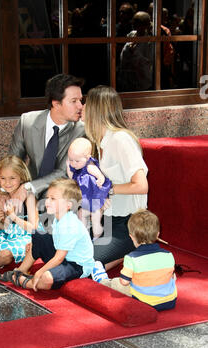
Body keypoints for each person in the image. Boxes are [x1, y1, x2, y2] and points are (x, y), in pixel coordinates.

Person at [83, 85, 148, 275]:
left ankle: (134, 248)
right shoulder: (99, 140)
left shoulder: (120, 139)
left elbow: (141, 185)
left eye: (86, 103)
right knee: (67, 250)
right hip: (106, 220)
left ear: (96, 109)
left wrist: (107, 189)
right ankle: (125, 256)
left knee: (84, 261)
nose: (82, 107)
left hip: (129, 224)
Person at [0, 178, 95, 291]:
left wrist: (40, 272)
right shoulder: (58, 218)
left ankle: (27, 282)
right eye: (48, 197)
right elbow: (53, 239)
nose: (47, 202)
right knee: (39, 235)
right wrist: (36, 244)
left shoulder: (69, 224)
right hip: (64, 256)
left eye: (53, 199)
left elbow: (59, 258)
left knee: (47, 277)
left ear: (68, 205)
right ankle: (21, 270)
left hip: (76, 265)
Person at [9, 73, 85, 200]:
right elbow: (12, 162)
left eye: (80, 100)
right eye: (74, 101)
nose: (80, 106)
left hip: (63, 203)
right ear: (56, 103)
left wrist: (29, 187)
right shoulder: (27, 122)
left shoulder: (82, 131)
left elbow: (64, 172)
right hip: (25, 200)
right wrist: (5, 192)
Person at [99, 209, 177, 311]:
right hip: (170, 301)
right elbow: (172, 277)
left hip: (145, 302)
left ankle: (102, 280)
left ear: (131, 237)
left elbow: (124, 282)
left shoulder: (131, 258)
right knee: (171, 275)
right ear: (157, 234)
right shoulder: (169, 255)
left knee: (117, 282)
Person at [66, 137, 112, 240]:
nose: (73, 163)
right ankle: (83, 232)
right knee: (81, 214)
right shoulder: (75, 166)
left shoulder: (89, 166)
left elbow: (100, 176)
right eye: (70, 159)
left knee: (96, 214)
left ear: (87, 158)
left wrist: (100, 179)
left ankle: (97, 231)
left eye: (77, 161)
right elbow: (71, 177)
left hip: (94, 195)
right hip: (84, 197)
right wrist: (68, 166)